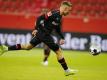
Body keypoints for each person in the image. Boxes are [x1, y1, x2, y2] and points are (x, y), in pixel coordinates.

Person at [0, 1, 77, 76]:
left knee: (28, 47)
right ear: (65, 8)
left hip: (42, 34)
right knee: (58, 51)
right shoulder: (54, 13)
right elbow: (40, 17)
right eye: (69, 10)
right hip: (44, 34)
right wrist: (36, 28)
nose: (69, 12)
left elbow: (57, 28)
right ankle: (66, 70)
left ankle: (6, 48)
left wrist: (62, 37)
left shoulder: (59, 16)